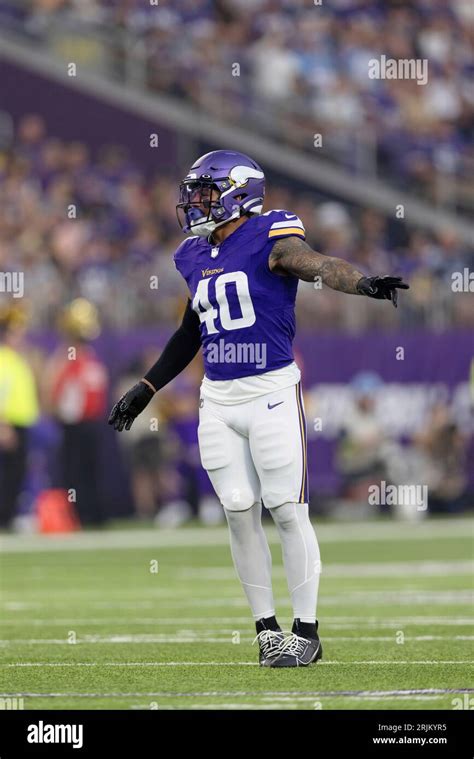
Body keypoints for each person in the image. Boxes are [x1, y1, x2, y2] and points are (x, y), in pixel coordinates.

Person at [108, 150, 409, 667]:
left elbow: (315, 265)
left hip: (270, 390)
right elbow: (191, 331)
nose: (193, 201)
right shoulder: (193, 255)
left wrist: (360, 282)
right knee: (237, 512)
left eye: (205, 190)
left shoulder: (271, 236)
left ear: (239, 192)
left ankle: (307, 632)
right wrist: (148, 386)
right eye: (195, 191)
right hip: (218, 399)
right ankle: (267, 630)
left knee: (287, 509)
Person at [0, 304, 39, 529]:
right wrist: (3, 424)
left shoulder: (16, 358)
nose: (21, 337)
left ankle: (8, 514)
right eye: (17, 333)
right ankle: (4, 517)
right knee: (9, 474)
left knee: (17, 473)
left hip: (21, 422)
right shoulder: (4, 359)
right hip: (9, 423)